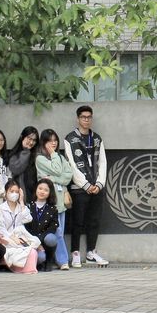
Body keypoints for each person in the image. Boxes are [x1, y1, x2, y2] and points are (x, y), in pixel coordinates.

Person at [64, 105, 111, 267]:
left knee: (94, 220)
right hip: (79, 188)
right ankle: (75, 252)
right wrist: (84, 184)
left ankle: (91, 252)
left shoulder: (97, 138)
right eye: (83, 117)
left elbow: (103, 162)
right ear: (78, 119)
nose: (86, 120)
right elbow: (70, 164)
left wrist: (99, 183)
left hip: (97, 187)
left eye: (89, 117)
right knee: (78, 221)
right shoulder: (70, 139)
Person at [35, 129, 73, 270]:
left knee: (60, 232)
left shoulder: (60, 157)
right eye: (50, 140)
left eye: (55, 140)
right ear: (44, 143)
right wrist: (53, 155)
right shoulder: (40, 159)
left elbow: (68, 175)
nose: (53, 143)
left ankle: (58, 259)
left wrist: (54, 179)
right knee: (56, 232)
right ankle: (62, 260)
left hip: (61, 201)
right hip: (49, 201)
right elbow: (58, 169)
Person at [0, 180, 40, 274]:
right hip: (7, 239)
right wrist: (12, 238)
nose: (14, 194)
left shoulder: (21, 208)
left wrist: (22, 202)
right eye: (11, 191)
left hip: (21, 239)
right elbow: (1, 228)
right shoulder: (0, 209)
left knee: (36, 251)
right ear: (6, 193)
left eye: (16, 192)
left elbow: (28, 218)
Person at [26, 179, 62, 272]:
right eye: (40, 188)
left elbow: (53, 227)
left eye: (46, 190)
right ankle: (40, 263)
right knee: (40, 258)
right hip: (32, 240)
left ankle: (49, 260)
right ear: (36, 189)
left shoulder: (52, 209)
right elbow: (26, 227)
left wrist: (40, 242)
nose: (42, 192)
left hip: (44, 239)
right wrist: (36, 242)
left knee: (51, 238)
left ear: (50, 193)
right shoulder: (29, 206)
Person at [8, 126, 40, 192]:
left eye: (34, 140)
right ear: (22, 137)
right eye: (29, 138)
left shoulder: (37, 155)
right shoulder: (14, 155)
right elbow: (16, 169)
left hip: (34, 194)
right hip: (21, 193)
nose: (31, 142)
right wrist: (26, 151)